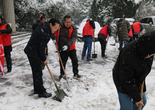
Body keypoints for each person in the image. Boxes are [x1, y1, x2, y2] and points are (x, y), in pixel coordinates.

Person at [112, 31, 155, 110]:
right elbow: (127, 80)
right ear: (145, 51)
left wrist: (139, 96)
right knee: (127, 108)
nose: (152, 56)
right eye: (151, 54)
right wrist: (137, 99)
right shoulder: (128, 55)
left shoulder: (149, 49)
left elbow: (144, 69)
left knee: (143, 102)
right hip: (122, 80)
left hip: (136, 78)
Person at [24, 18, 60, 98]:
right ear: (50, 24)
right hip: (33, 51)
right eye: (55, 28)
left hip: (31, 49)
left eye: (57, 28)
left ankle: (37, 89)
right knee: (38, 71)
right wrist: (44, 59)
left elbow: (35, 26)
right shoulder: (44, 33)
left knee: (36, 71)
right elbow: (41, 48)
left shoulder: (45, 25)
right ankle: (41, 91)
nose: (56, 29)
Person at [55, 15, 81, 80]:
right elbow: (54, 32)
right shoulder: (59, 26)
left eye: (69, 22)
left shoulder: (73, 27)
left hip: (71, 47)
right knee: (62, 61)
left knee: (75, 61)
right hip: (62, 48)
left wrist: (68, 45)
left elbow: (74, 38)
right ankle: (62, 74)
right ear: (63, 21)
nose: (68, 24)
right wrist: (53, 39)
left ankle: (75, 74)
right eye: (67, 22)